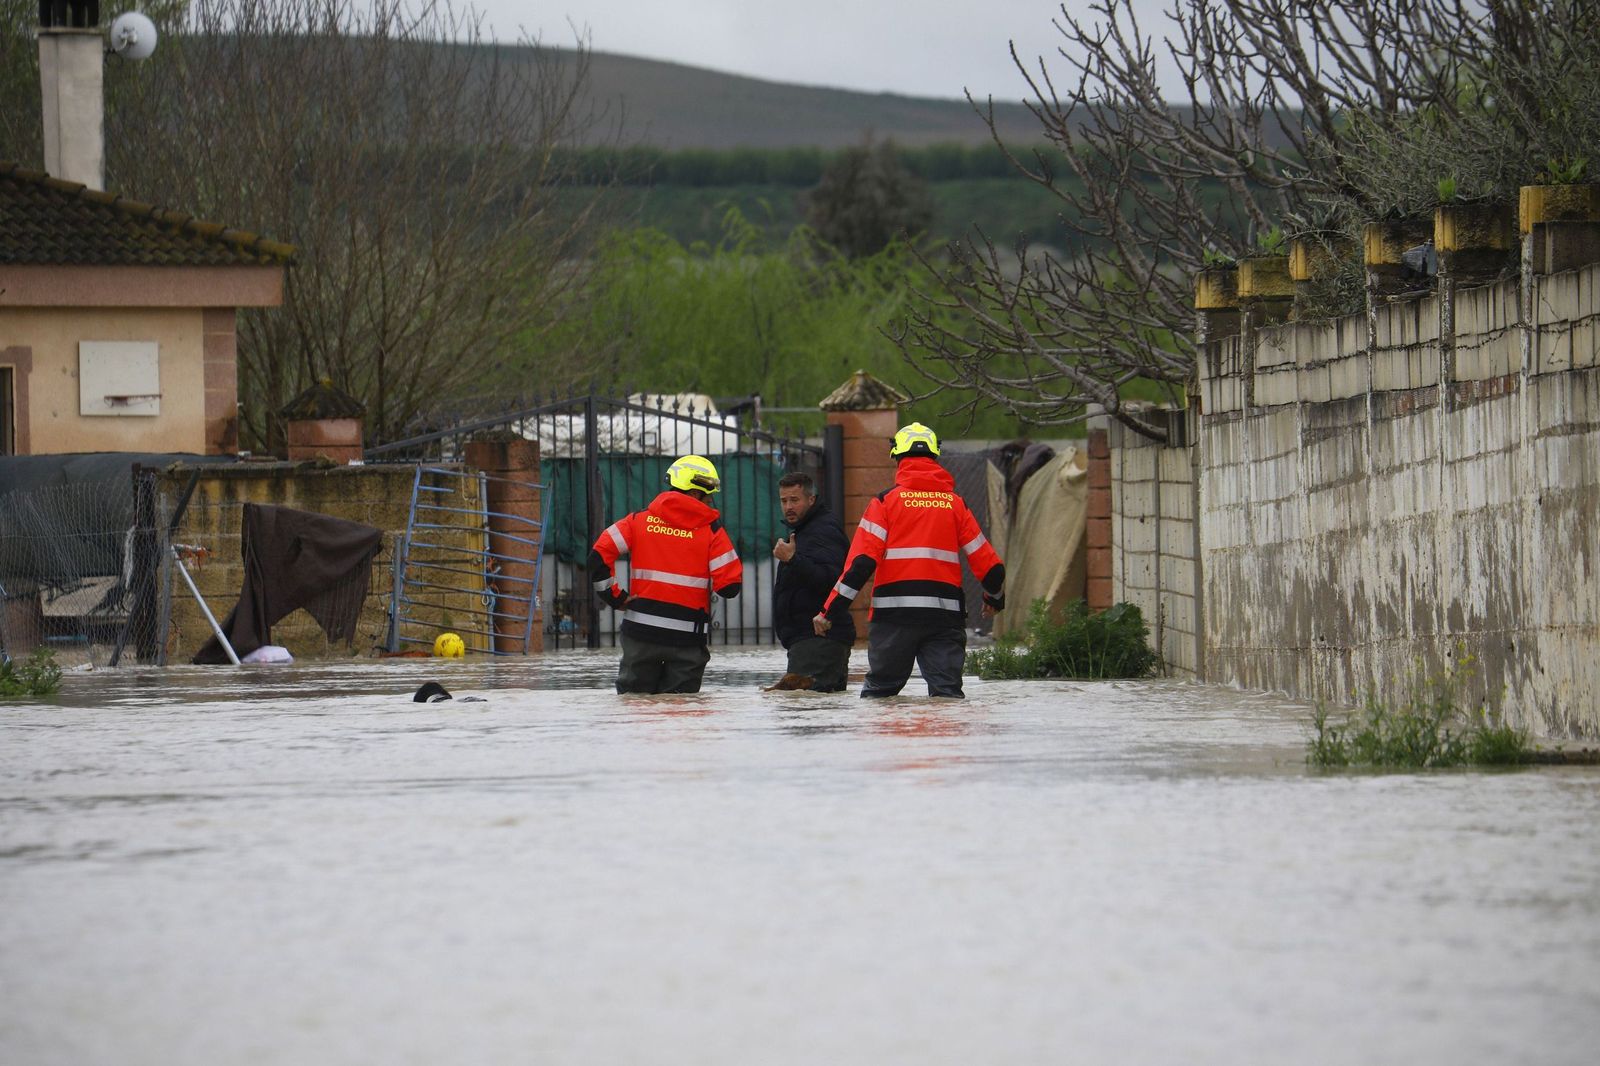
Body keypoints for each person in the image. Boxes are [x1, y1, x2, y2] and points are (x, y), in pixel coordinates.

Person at [814, 422, 1005, 698]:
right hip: (944, 618)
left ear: (898, 458)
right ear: (935, 457)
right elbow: (992, 569)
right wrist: (995, 599)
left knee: (880, 696)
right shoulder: (955, 505)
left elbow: (861, 566)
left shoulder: (884, 503)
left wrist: (829, 611)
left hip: (893, 618)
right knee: (947, 697)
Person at [589, 454, 743, 694]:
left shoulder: (638, 521)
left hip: (641, 635)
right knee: (683, 715)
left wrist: (615, 597)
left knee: (634, 707)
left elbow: (598, 557)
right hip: (687, 641)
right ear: (694, 493)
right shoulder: (712, 531)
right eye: (709, 495)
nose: (711, 501)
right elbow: (730, 586)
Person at [771, 471, 854, 691]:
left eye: (795, 500)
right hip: (809, 640)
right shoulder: (807, 531)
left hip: (819, 640)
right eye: (784, 500)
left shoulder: (822, 530)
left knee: (802, 709)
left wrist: (792, 560)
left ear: (811, 499)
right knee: (812, 711)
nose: (788, 506)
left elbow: (833, 580)